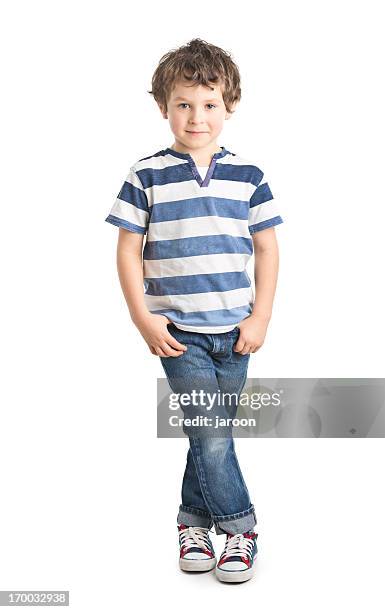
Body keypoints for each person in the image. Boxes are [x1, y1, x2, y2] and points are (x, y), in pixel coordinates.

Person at [104, 38, 283, 583]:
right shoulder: (146, 175)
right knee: (209, 431)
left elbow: (268, 248)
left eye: (209, 104)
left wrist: (261, 317)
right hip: (179, 332)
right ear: (164, 107)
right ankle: (240, 527)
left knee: (210, 433)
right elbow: (127, 249)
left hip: (236, 330)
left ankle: (192, 521)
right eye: (184, 104)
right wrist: (143, 317)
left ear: (229, 105)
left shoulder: (248, 176)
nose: (196, 116)